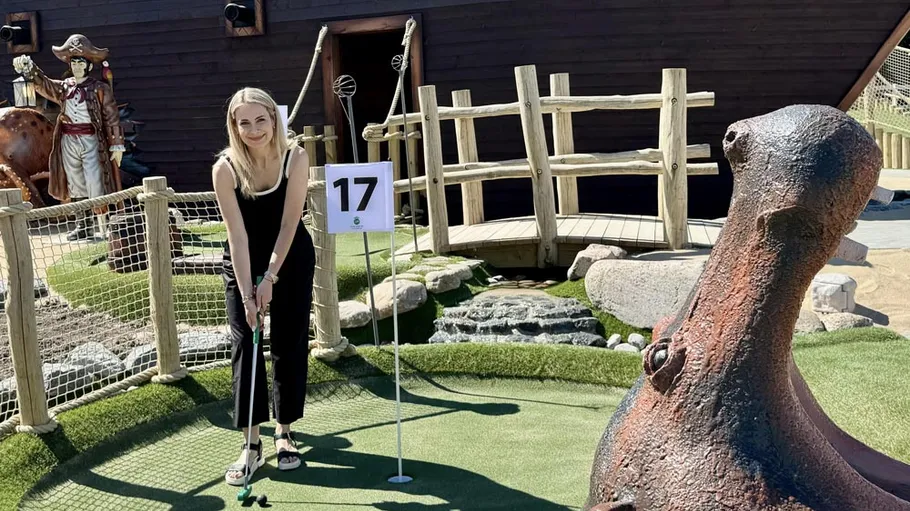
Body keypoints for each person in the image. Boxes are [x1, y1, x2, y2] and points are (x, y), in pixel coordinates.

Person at [211, 87, 315, 486]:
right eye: (244, 122)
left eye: (261, 120)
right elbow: (237, 236)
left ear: (274, 119)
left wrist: (270, 278)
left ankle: (284, 434)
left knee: (288, 342)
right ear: (234, 127)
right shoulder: (225, 168)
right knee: (246, 340)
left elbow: (290, 223)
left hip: (290, 257)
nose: (254, 129)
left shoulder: (296, 157)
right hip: (243, 260)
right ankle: (250, 444)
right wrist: (247, 293)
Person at [12, 34, 125, 240]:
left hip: (91, 141)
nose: (77, 66)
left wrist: (117, 144)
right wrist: (30, 69)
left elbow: (111, 117)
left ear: (89, 65)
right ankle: (84, 226)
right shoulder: (64, 87)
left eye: (81, 62)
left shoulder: (100, 89)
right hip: (68, 141)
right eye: (74, 62)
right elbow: (44, 85)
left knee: (95, 183)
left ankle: (106, 226)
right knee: (76, 184)